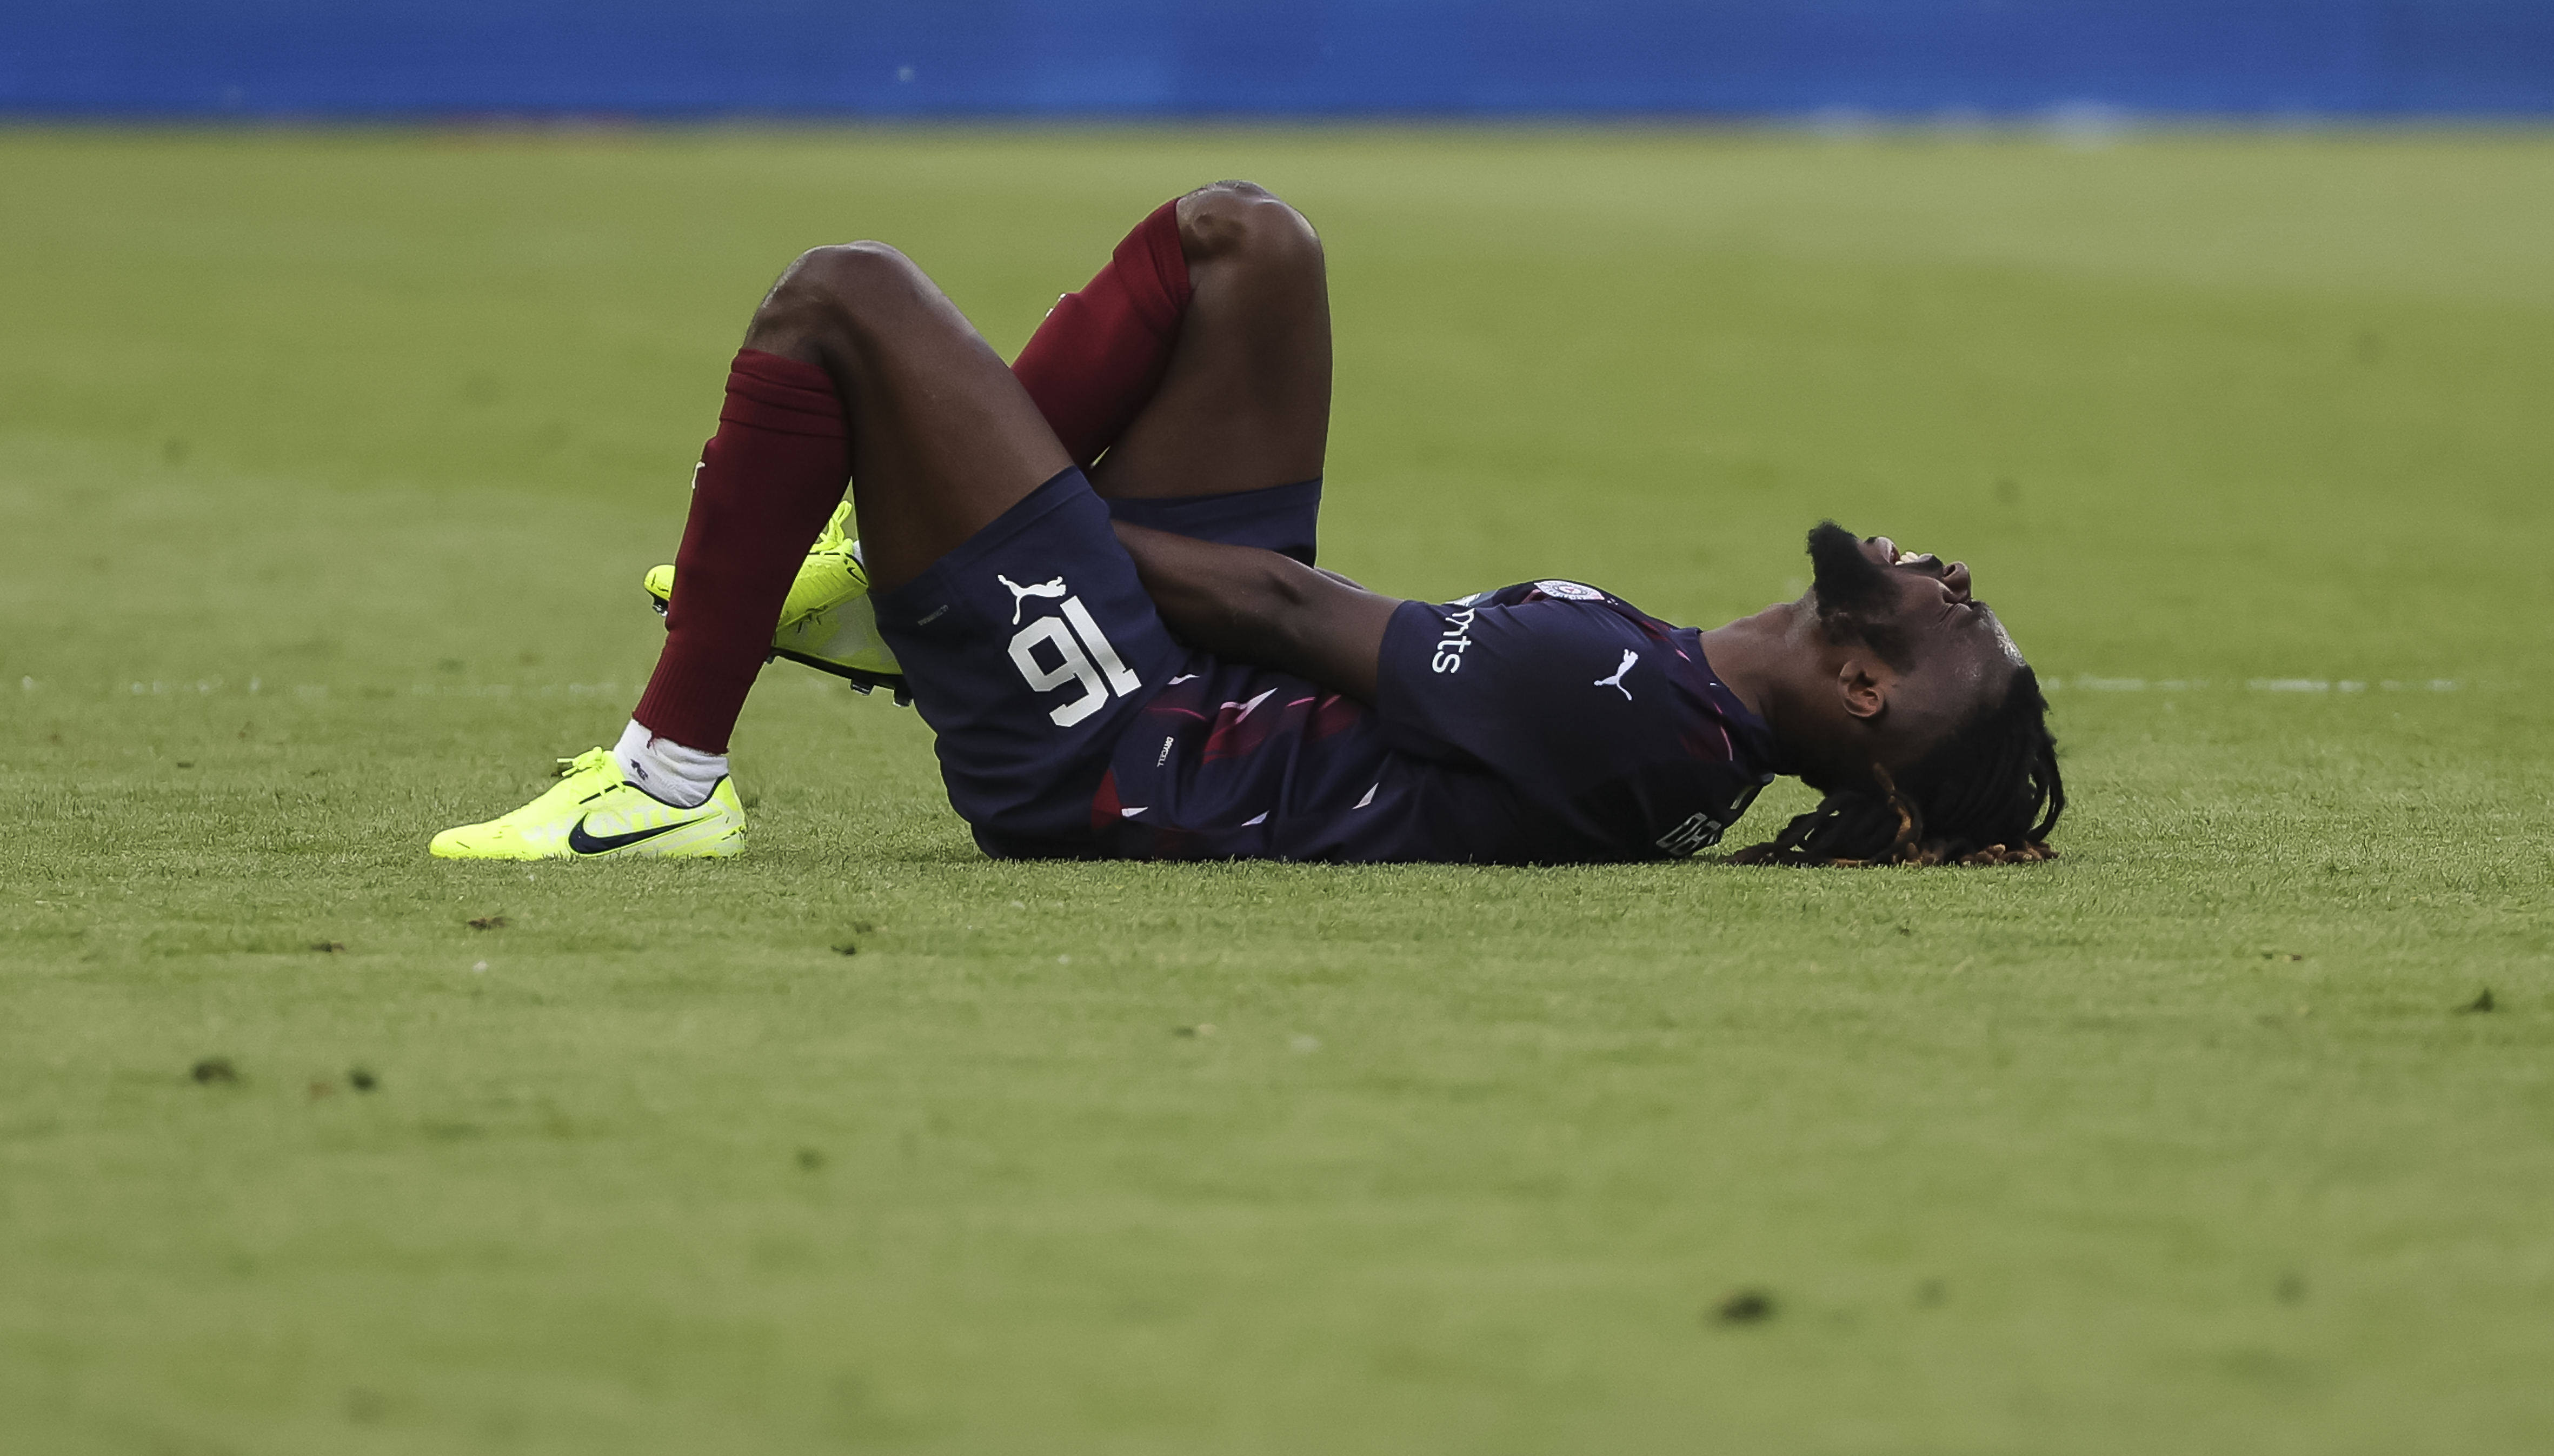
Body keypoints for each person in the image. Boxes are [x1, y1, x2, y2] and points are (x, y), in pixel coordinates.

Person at [430, 183, 2062, 868]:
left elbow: (1283, 613)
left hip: (1117, 742)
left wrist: (994, 528)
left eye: (1967, 630)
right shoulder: (1671, 715)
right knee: (1247, 247)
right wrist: (982, 527)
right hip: (1196, 699)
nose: (1964, 582)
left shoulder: (1632, 698)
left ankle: (661, 785)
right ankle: (875, 585)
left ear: (1865, 694)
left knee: (842, 300)